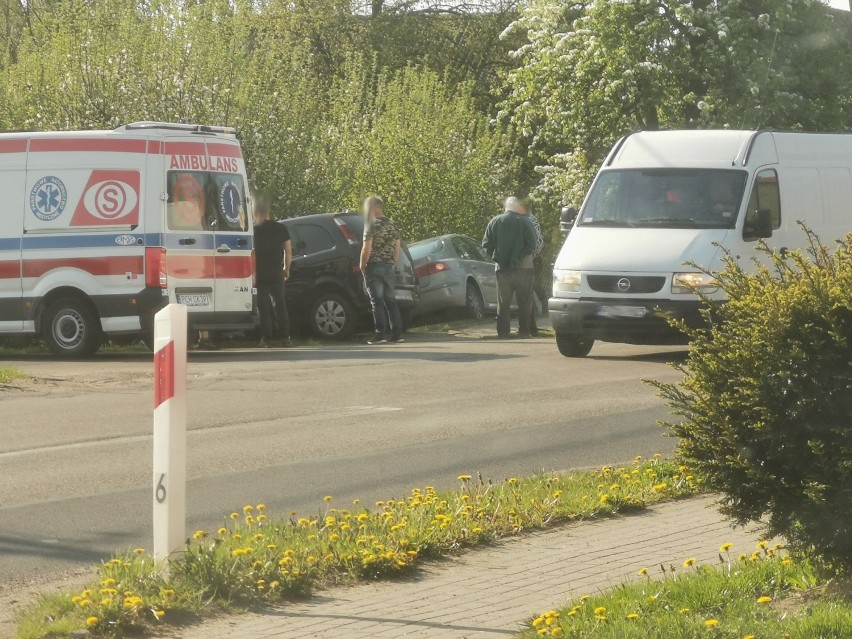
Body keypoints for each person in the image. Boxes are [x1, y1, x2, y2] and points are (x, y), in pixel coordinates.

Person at [482, 196, 537, 339]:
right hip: (524, 268)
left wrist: (497, 257)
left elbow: (486, 245)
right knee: (525, 301)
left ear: (505, 207)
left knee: (503, 302)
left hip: (502, 268)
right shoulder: (525, 221)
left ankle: (503, 332)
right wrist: (520, 256)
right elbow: (532, 244)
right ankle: (524, 331)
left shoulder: (495, 221)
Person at [359, 196, 403, 345]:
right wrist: (393, 263)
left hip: (374, 265)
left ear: (374, 207)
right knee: (391, 301)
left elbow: (367, 247)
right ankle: (397, 334)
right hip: (388, 266)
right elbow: (398, 247)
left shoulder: (370, 224)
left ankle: (381, 334)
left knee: (376, 301)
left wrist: (362, 264)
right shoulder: (393, 224)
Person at [253, 195, 292, 347]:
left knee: (263, 307)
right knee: (280, 304)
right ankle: (285, 337)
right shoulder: (281, 228)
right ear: (268, 211)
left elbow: (251, 253)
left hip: (260, 272)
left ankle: (266, 338)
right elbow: (288, 250)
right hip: (277, 272)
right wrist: (286, 268)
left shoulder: (254, 231)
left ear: (255, 212)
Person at [526, 205, 547, 335]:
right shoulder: (527, 219)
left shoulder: (531, 220)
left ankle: (542, 310)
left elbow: (539, 242)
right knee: (530, 288)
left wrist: (529, 257)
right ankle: (532, 322)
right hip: (532, 259)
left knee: (533, 286)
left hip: (534, 260)